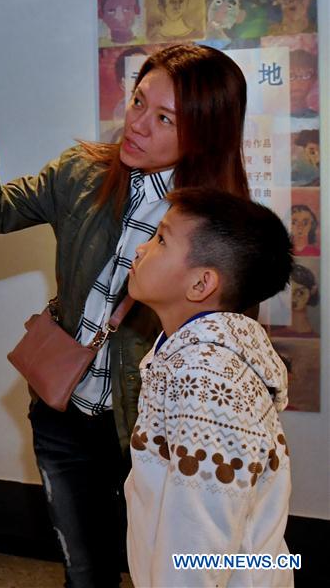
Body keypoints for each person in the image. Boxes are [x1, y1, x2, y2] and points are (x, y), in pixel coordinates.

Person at [0, 43, 249, 587]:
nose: (136, 124)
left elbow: (229, 340)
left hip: (154, 429)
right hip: (65, 411)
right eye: (138, 102)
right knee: (85, 574)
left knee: (164, 571)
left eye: (163, 118)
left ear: (205, 132)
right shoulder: (81, 172)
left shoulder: (215, 220)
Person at [125, 187, 293, 587]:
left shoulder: (206, 381)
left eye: (161, 239)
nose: (140, 249)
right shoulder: (190, 353)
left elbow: (197, 541)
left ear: (201, 284)